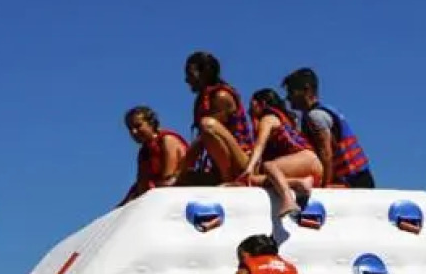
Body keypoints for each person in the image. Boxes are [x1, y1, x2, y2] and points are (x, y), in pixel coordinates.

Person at [282, 67, 376, 188]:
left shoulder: (315, 116)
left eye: (291, 91)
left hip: (353, 182)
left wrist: (324, 188)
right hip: (361, 177)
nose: (288, 98)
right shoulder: (327, 110)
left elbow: (326, 155)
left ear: (306, 89)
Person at [241, 89, 324, 218]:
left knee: (268, 166)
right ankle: (298, 183)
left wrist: (249, 167)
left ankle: (288, 199)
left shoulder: (268, 118)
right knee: (253, 180)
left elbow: (260, 145)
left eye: (252, 105)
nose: (249, 111)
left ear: (262, 104)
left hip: (306, 159)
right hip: (311, 168)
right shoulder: (287, 120)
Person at [181, 51, 254, 184]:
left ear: (205, 74)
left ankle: (229, 179)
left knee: (207, 125)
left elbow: (202, 139)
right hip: (217, 165)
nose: (186, 79)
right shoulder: (203, 98)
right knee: (184, 181)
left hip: (242, 162)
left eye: (190, 74)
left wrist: (180, 171)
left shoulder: (221, 96)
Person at [119, 106, 189, 206]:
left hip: (179, 192)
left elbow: (168, 179)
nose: (134, 132)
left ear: (151, 124)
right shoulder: (144, 152)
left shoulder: (167, 140)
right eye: (130, 129)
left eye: (138, 126)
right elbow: (141, 185)